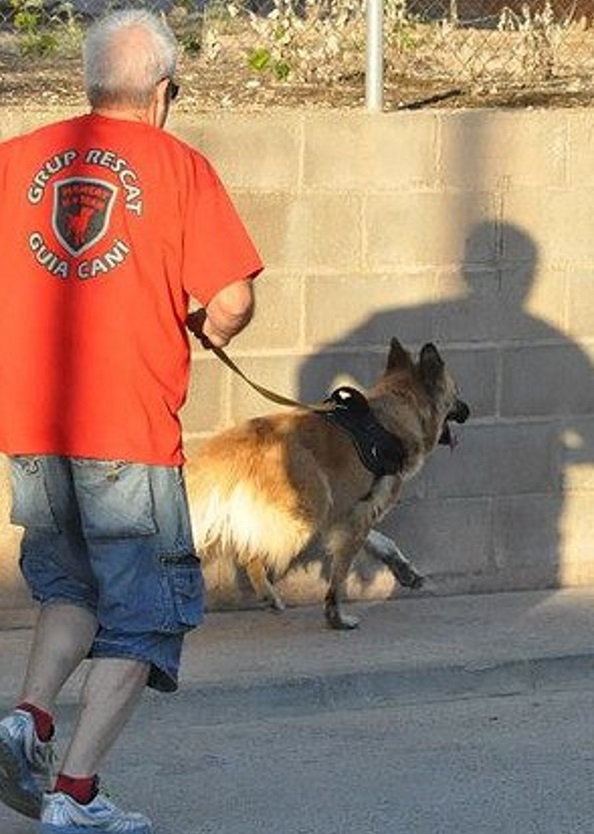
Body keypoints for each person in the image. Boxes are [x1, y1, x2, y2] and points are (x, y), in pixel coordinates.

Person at [0, 9, 262, 834]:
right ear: (162, 93)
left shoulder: (15, 161)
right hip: (127, 433)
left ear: (88, 81)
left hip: (34, 428)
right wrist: (208, 332)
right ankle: (74, 797)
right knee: (147, 616)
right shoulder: (179, 167)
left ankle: (26, 723)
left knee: (73, 586)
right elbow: (231, 300)